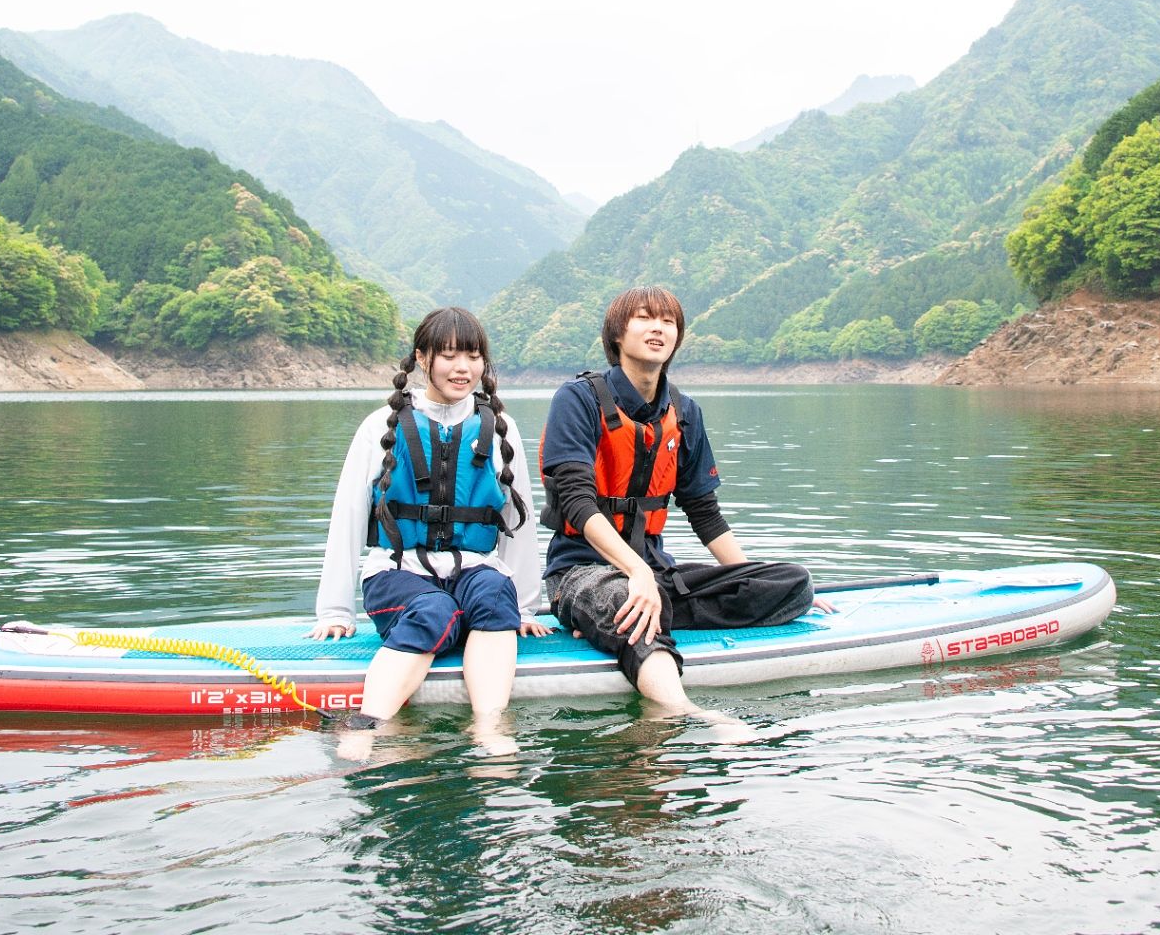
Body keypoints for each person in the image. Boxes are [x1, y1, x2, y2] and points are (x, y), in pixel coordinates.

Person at [539, 286, 828, 720]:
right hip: (581, 570)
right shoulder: (577, 400)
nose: (658, 328)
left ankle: (612, 620)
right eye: (644, 318)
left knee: (792, 582)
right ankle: (686, 710)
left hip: (658, 574)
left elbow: (704, 512)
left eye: (668, 321)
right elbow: (579, 504)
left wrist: (756, 580)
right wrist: (634, 572)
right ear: (617, 334)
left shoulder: (685, 411)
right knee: (626, 598)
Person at [313, 307, 549, 746]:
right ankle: (367, 728)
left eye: (474, 356)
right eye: (450, 355)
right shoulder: (380, 426)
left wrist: (526, 608)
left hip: (473, 568)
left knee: (497, 595)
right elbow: (346, 516)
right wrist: (335, 611)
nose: (464, 368)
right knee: (433, 611)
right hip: (397, 573)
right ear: (423, 358)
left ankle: (490, 730)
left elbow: (520, 520)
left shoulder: (499, 427)